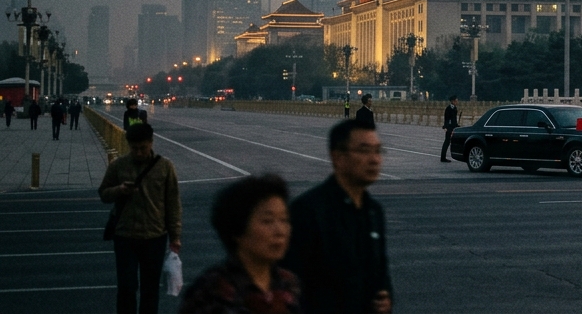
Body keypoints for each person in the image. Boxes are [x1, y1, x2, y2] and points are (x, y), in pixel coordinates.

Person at [283, 119, 393, 314]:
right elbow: (290, 287)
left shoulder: (374, 211)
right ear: (338, 157)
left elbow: (381, 274)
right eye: (364, 150)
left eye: (378, 151)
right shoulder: (308, 211)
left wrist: (386, 300)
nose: (375, 159)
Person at [179, 174, 300, 314]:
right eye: (267, 221)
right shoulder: (212, 291)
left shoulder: (288, 283)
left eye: (284, 220)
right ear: (237, 230)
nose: (280, 231)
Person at [99, 122, 182, 314]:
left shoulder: (165, 167)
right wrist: (119, 190)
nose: (138, 152)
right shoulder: (118, 165)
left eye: (143, 148)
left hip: (155, 236)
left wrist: (175, 236)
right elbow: (103, 194)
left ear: (151, 143)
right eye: (134, 148)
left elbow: (173, 203)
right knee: (127, 287)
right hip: (125, 235)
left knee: (150, 290)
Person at [440, 96, 459, 162]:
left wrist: (456, 125)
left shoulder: (455, 108)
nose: (457, 102)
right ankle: (443, 157)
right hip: (449, 127)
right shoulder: (448, 109)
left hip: (453, 127)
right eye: (456, 101)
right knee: (447, 142)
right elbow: (447, 119)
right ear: (452, 101)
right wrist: (446, 127)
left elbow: (454, 119)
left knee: (452, 142)